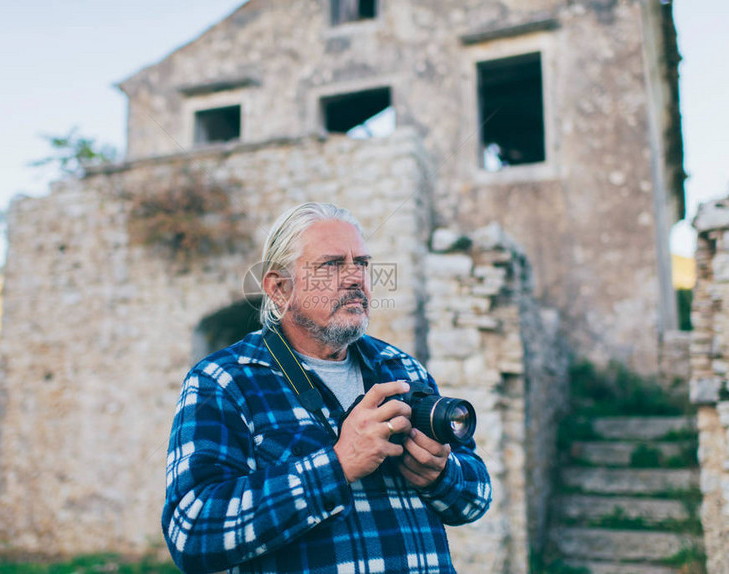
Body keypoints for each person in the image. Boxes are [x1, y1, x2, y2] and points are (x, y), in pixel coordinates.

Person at [162, 202, 491, 573]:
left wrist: (441, 475)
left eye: (362, 264)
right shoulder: (223, 381)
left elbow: (476, 499)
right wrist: (337, 465)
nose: (355, 278)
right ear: (279, 288)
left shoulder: (403, 369)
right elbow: (190, 533)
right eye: (332, 265)